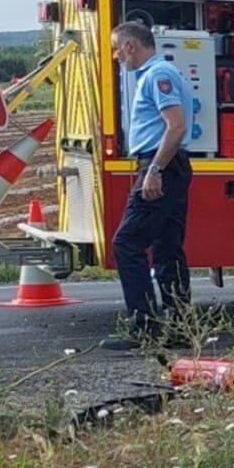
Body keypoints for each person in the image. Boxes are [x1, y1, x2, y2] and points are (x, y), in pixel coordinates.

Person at [103, 21, 193, 351]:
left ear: (130, 46)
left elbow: (176, 126)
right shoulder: (162, 74)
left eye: (117, 48)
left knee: (127, 242)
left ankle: (145, 326)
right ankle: (182, 327)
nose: (116, 57)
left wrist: (154, 170)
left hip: (161, 164)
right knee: (167, 247)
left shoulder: (157, 76)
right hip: (174, 165)